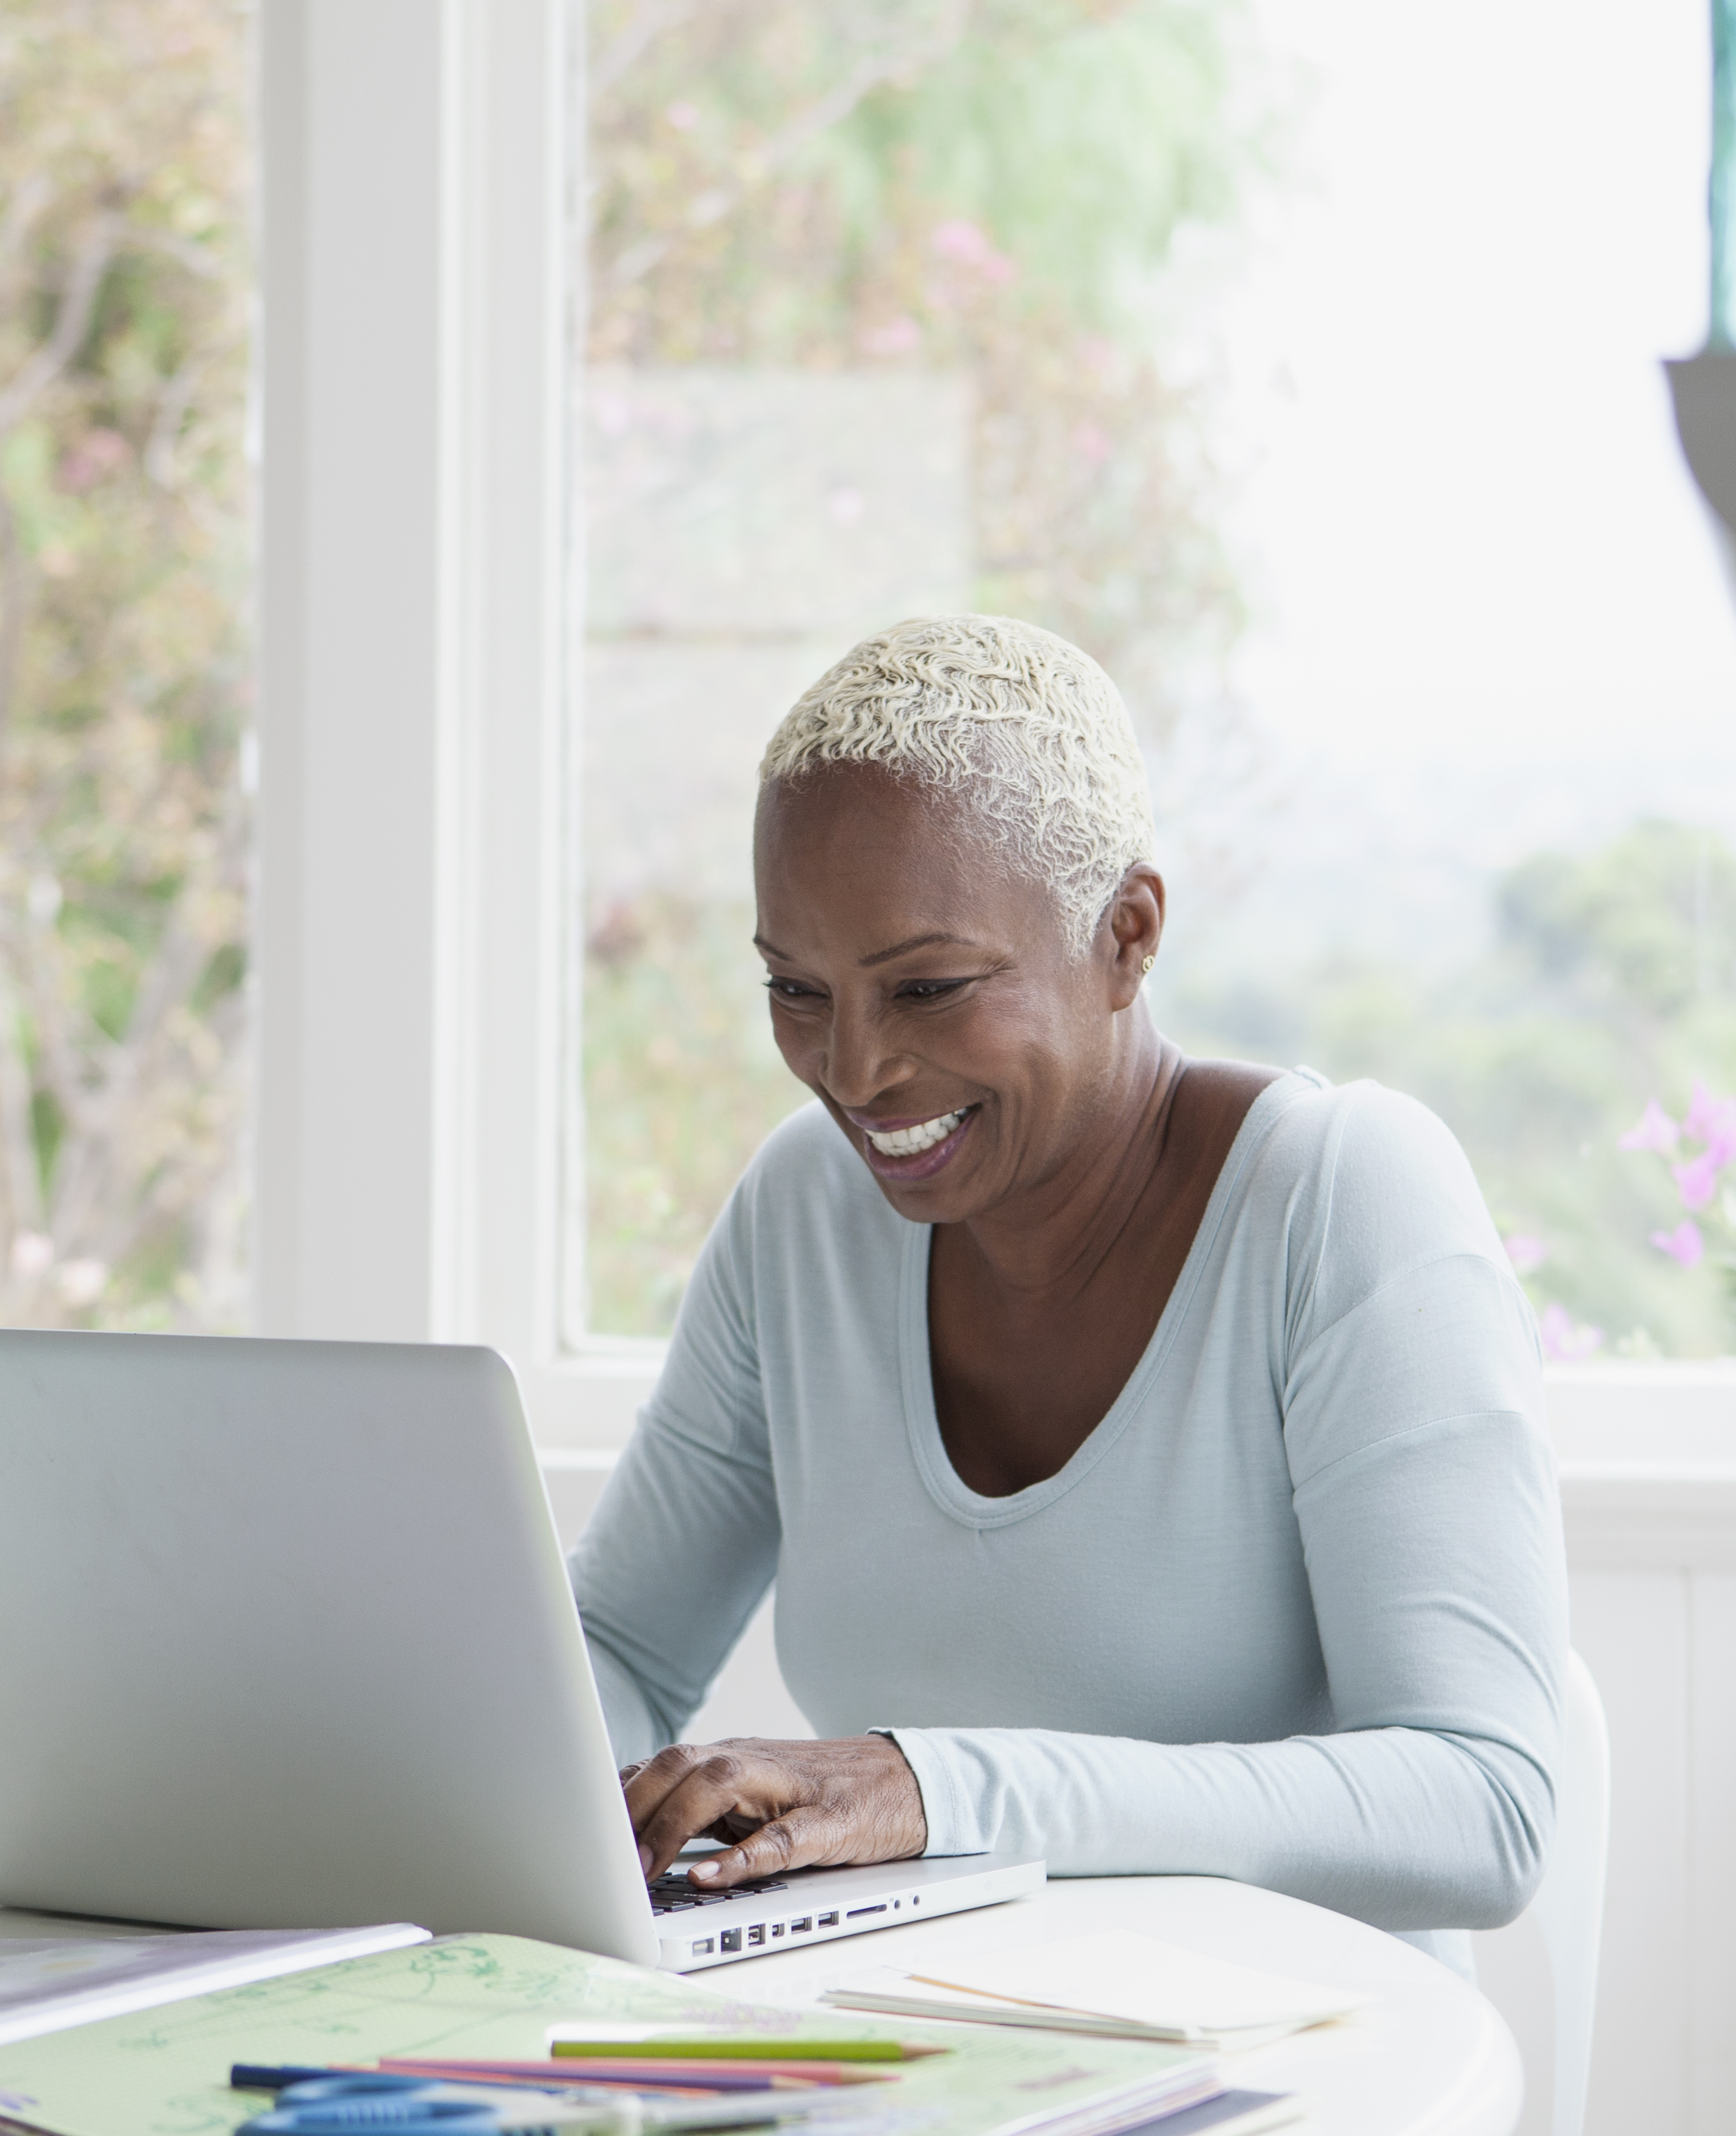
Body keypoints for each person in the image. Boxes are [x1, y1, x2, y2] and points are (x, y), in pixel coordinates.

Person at [570, 613, 1566, 1963]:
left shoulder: (1340, 1197)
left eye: (928, 987)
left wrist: (936, 1789)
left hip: (1292, 2046)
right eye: (797, 990)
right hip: (909, 2044)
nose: (852, 1072)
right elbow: (622, 1647)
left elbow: (1483, 1805)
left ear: (1128, 935)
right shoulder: (804, 1212)